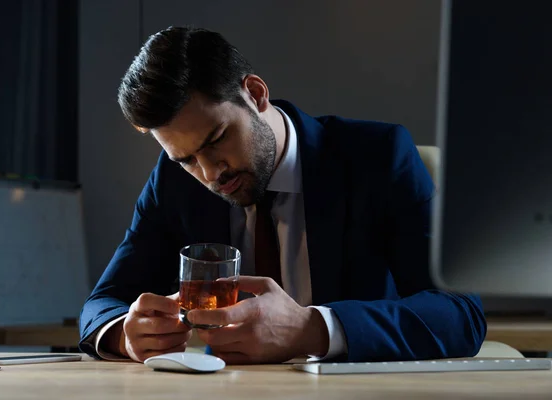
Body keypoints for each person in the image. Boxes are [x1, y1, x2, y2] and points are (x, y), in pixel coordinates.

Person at [79, 26, 486, 364]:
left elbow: (462, 316)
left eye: (217, 139)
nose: (209, 173)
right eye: (186, 159)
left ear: (255, 94)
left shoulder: (377, 157)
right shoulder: (173, 180)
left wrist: (313, 329)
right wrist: (124, 335)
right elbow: (103, 304)